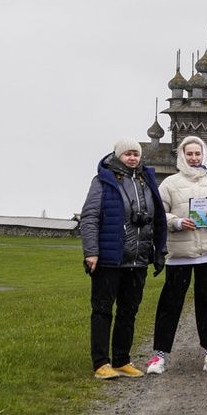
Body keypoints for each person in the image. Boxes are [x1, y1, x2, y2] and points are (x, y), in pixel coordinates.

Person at [145, 136, 207, 375]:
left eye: (198, 154)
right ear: (182, 155)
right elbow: (158, 214)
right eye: (190, 154)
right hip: (180, 254)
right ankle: (159, 355)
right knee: (170, 304)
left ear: (203, 155)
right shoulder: (170, 184)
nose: (194, 158)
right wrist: (176, 221)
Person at [80, 139, 167, 380]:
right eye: (127, 154)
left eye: (135, 154)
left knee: (129, 312)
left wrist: (159, 250)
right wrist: (91, 251)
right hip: (109, 258)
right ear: (118, 156)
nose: (132, 158)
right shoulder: (103, 181)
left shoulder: (146, 181)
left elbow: (158, 217)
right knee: (102, 311)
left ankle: (121, 360)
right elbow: (89, 218)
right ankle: (101, 362)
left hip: (137, 259)